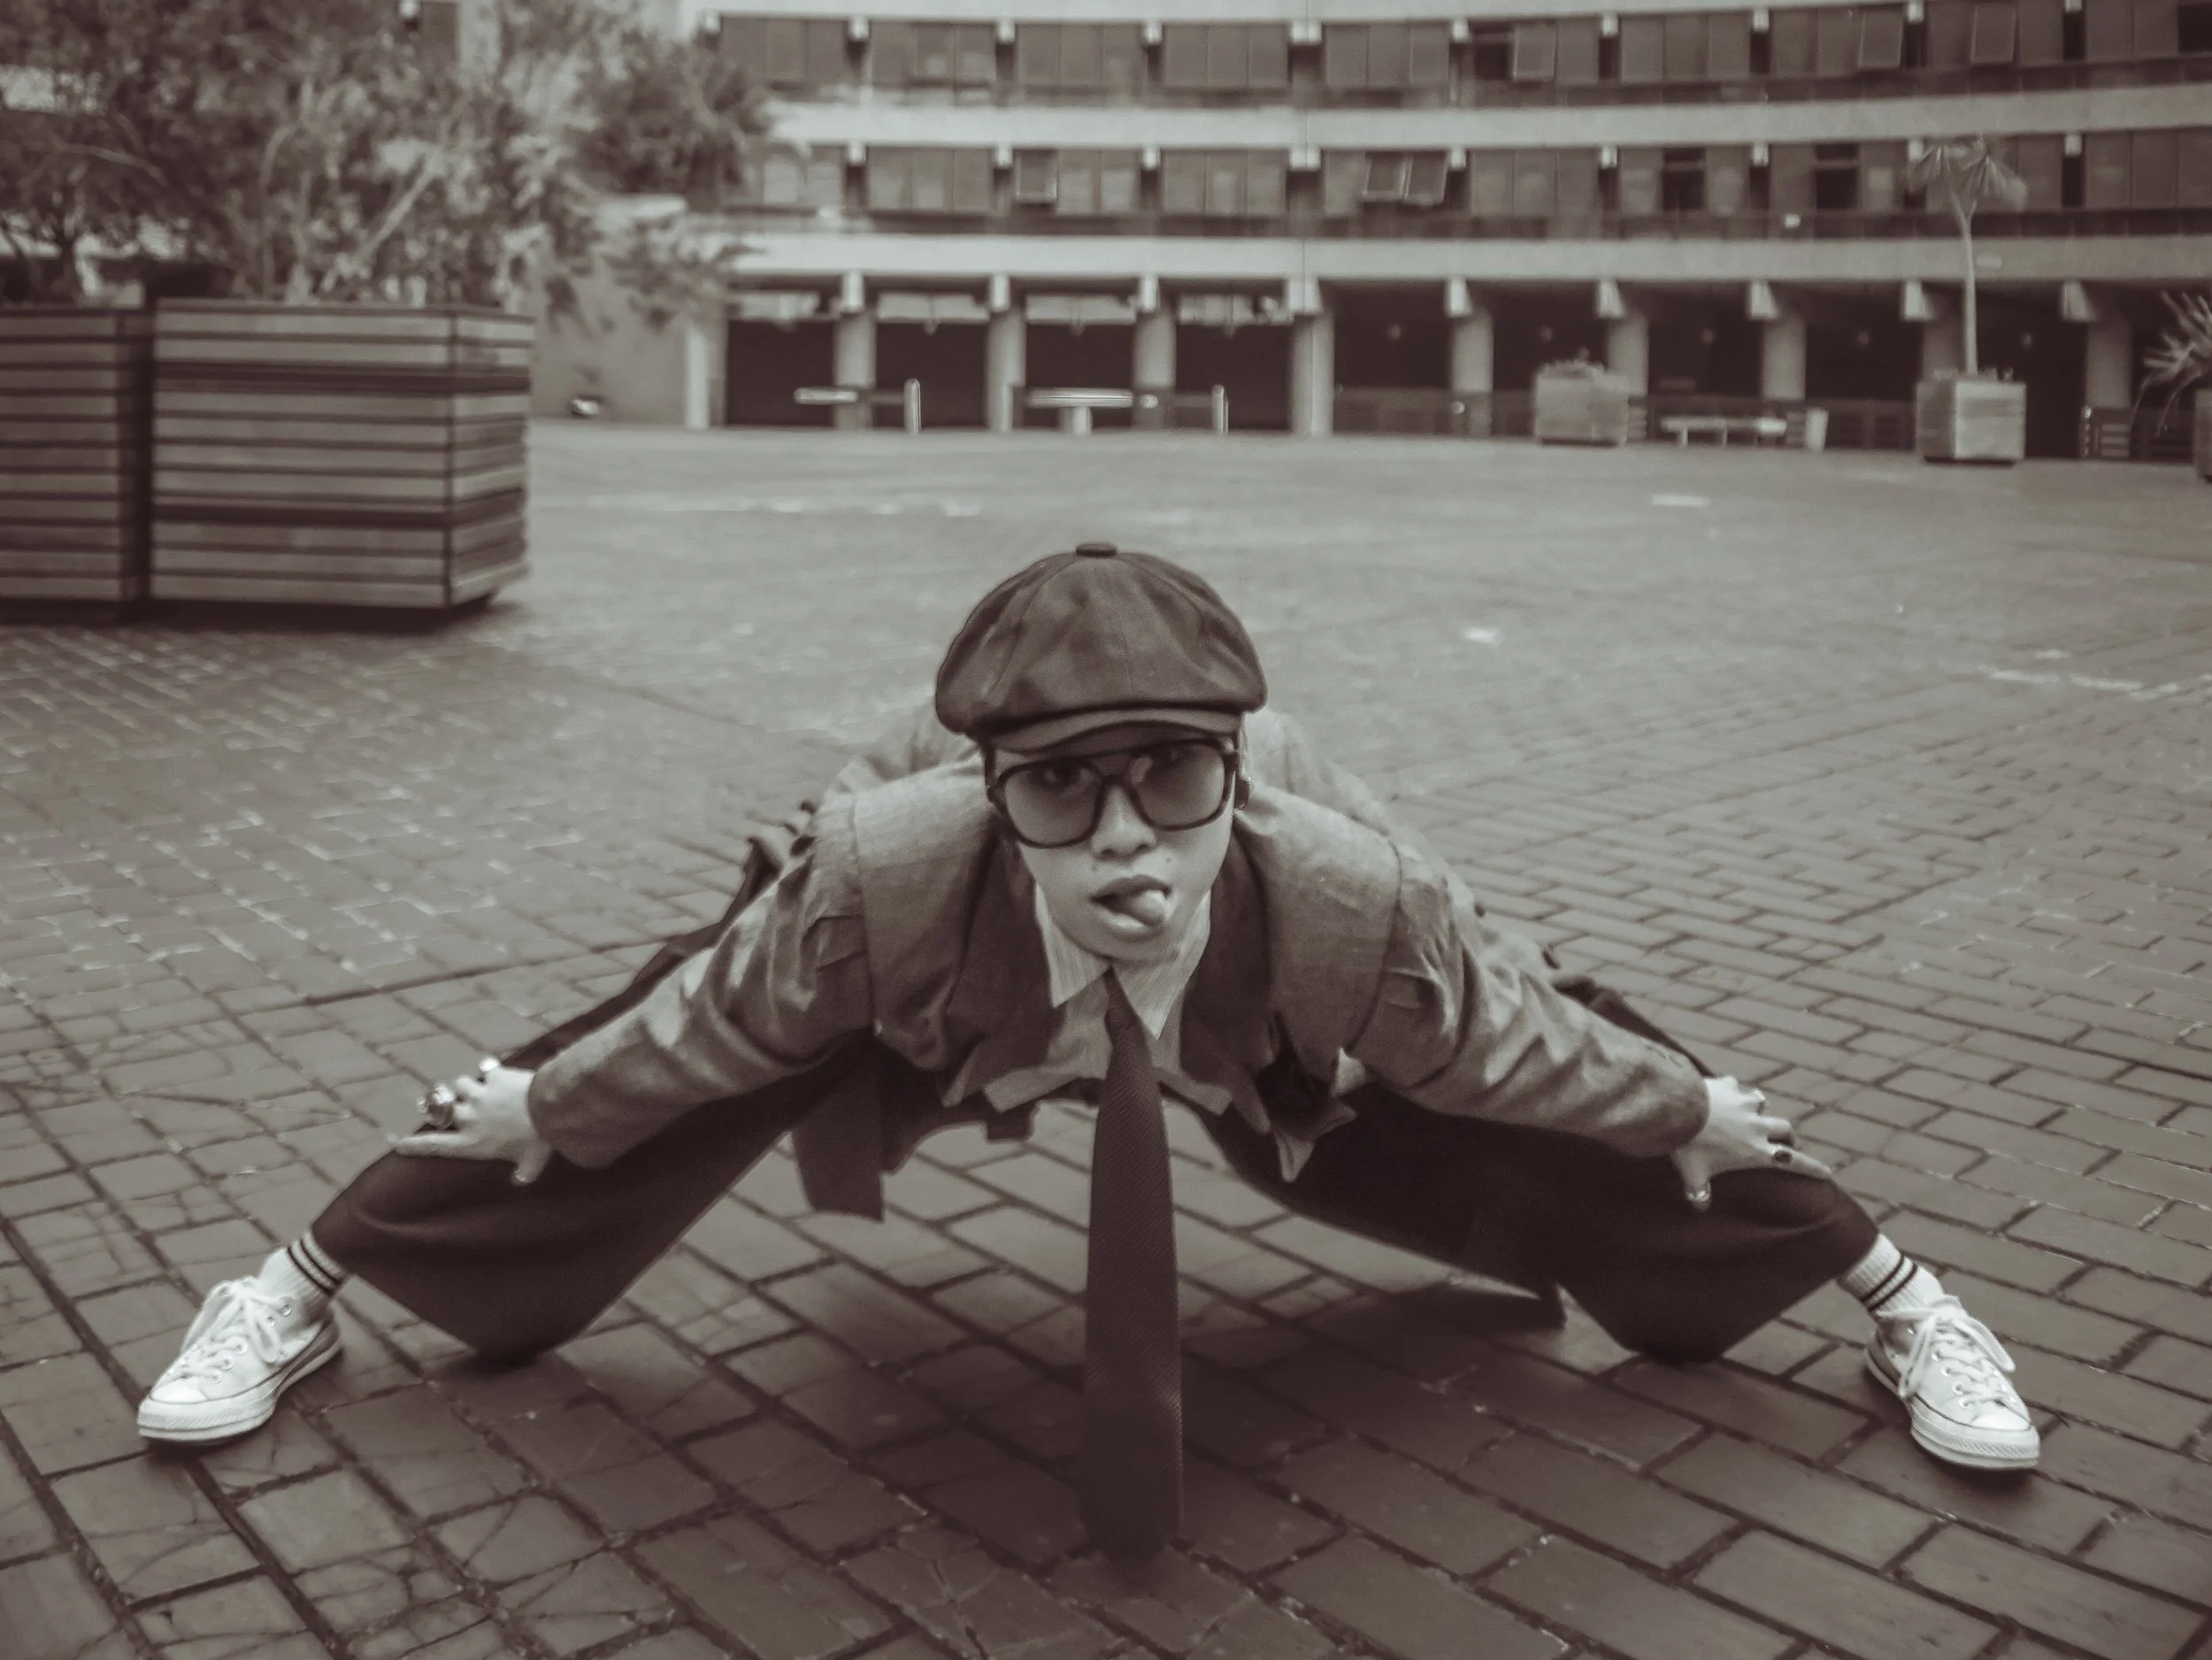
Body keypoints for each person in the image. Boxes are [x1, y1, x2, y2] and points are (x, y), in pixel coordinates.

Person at [138, 542, 2039, 1547]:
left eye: (1169, 786)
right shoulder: (884, 869)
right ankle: (293, 1287)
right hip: (937, 1007)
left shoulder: (1344, 893)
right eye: (1060, 794)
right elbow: (714, 1019)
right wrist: (547, 1102)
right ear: (990, 788)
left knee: (1617, 1055)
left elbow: (1502, 1048)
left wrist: (1692, 1102)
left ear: (1231, 773)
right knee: (602, 1058)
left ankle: (1899, 1299)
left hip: (1258, 1037)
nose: (1123, 843)